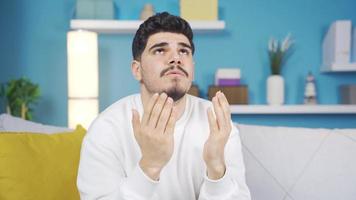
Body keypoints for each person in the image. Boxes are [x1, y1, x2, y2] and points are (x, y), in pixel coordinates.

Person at [77, 12, 251, 200]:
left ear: (192, 68)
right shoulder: (106, 129)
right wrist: (150, 166)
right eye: (160, 50)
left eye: (184, 51)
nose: (176, 58)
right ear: (137, 70)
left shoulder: (218, 124)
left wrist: (217, 169)